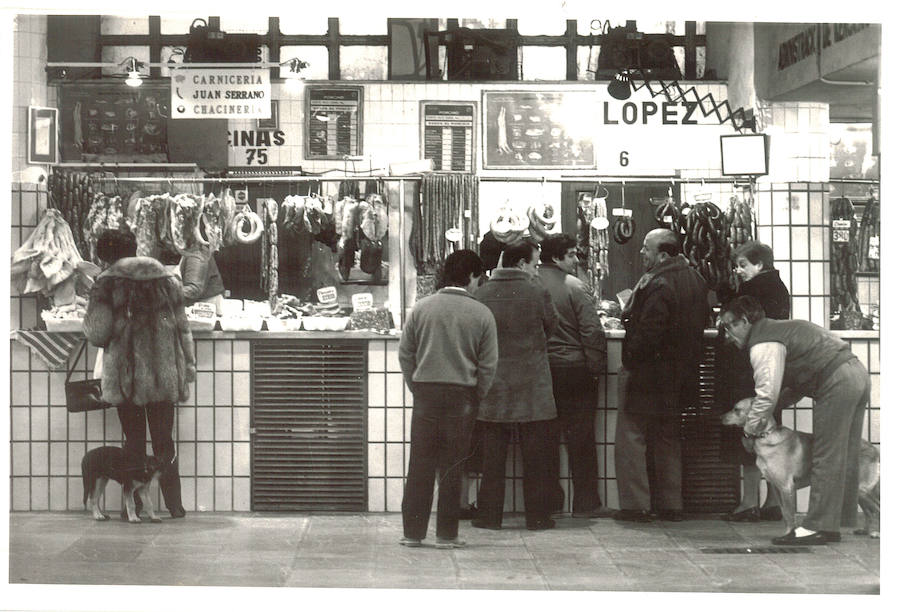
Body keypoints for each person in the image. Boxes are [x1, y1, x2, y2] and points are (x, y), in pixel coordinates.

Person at [719, 295, 869, 545]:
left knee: (826, 453)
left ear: (744, 321)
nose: (727, 334)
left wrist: (749, 430)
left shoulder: (763, 343)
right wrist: (776, 407)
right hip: (855, 373)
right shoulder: (778, 330)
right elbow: (794, 386)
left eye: (728, 325)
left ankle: (817, 528)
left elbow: (766, 394)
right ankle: (830, 526)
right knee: (843, 452)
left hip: (837, 380)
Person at [84, 230, 196, 519]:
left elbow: (97, 333)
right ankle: (175, 506)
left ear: (105, 255)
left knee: (133, 441)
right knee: (164, 441)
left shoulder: (106, 282)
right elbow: (184, 328)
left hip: (127, 376)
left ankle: (128, 509)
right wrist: (188, 369)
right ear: (133, 248)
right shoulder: (167, 277)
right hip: (164, 372)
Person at [398, 249, 498, 549]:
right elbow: (489, 364)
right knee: (453, 467)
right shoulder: (482, 313)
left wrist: (416, 385)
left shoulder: (422, 308)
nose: (479, 284)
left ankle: (412, 534)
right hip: (462, 395)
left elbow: (406, 353)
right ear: (470, 277)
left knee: (420, 464)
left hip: (426, 392)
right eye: (479, 278)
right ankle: (446, 535)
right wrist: (476, 393)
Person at [614, 229, 709, 523]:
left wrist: (629, 357)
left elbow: (650, 332)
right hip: (680, 376)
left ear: (663, 255)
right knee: (668, 438)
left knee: (632, 435)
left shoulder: (660, 283)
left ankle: (636, 505)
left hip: (649, 374)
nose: (642, 253)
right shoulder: (696, 279)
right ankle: (671, 504)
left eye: (646, 249)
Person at [472, 240, 560, 531]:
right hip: (532, 385)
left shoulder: (482, 293)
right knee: (536, 460)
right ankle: (537, 517)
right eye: (535, 264)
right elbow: (551, 327)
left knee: (492, 461)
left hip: (494, 385)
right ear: (521, 264)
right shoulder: (538, 292)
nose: (536, 271)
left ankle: (488, 517)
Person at [537, 234, 612, 518]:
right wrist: (596, 368)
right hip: (574, 371)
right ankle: (586, 503)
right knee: (581, 439)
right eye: (570, 255)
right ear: (556, 258)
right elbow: (591, 331)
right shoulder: (575, 287)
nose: (575, 260)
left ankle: (550, 502)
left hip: (543, 372)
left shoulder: (530, 284)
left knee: (545, 440)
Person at [721, 241, 791, 522]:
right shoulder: (779, 288)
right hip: (773, 373)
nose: (739, 271)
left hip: (748, 374)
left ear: (760, 264)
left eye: (743, 265)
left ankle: (748, 502)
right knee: (771, 438)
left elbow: (741, 332)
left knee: (749, 439)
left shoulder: (751, 292)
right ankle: (773, 503)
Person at [179, 241, 225, 314]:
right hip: (200, 307)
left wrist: (165, 294)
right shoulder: (190, 251)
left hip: (206, 310)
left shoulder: (196, 253)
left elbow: (194, 289)